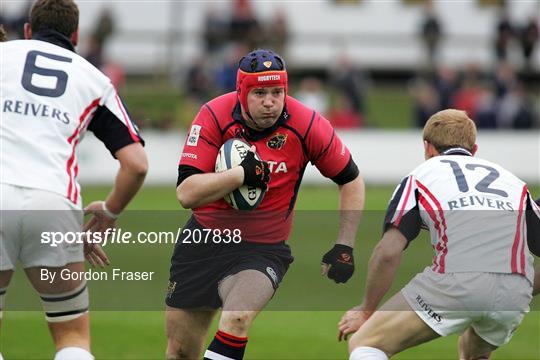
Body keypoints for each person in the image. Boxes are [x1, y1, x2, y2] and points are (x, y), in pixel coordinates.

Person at [167, 49, 365, 359]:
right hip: (202, 240)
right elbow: (186, 194)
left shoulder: (308, 124)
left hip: (263, 249)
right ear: (242, 92)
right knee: (181, 351)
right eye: (260, 93)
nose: (270, 101)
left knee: (237, 319)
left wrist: (345, 245)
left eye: (277, 92)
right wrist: (239, 175)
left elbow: (351, 180)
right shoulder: (213, 116)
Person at [0, 1, 147, 359]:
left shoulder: (4, 54)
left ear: (29, 29)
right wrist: (108, 215)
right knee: (71, 335)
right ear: (77, 36)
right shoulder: (94, 79)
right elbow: (137, 164)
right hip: (55, 202)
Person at [338, 109, 540, 360]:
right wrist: (517, 286)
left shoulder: (420, 176)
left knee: (366, 343)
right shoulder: (513, 182)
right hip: (515, 292)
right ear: (474, 150)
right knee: (473, 351)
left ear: (428, 147)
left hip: (458, 281)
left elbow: (388, 252)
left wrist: (366, 310)